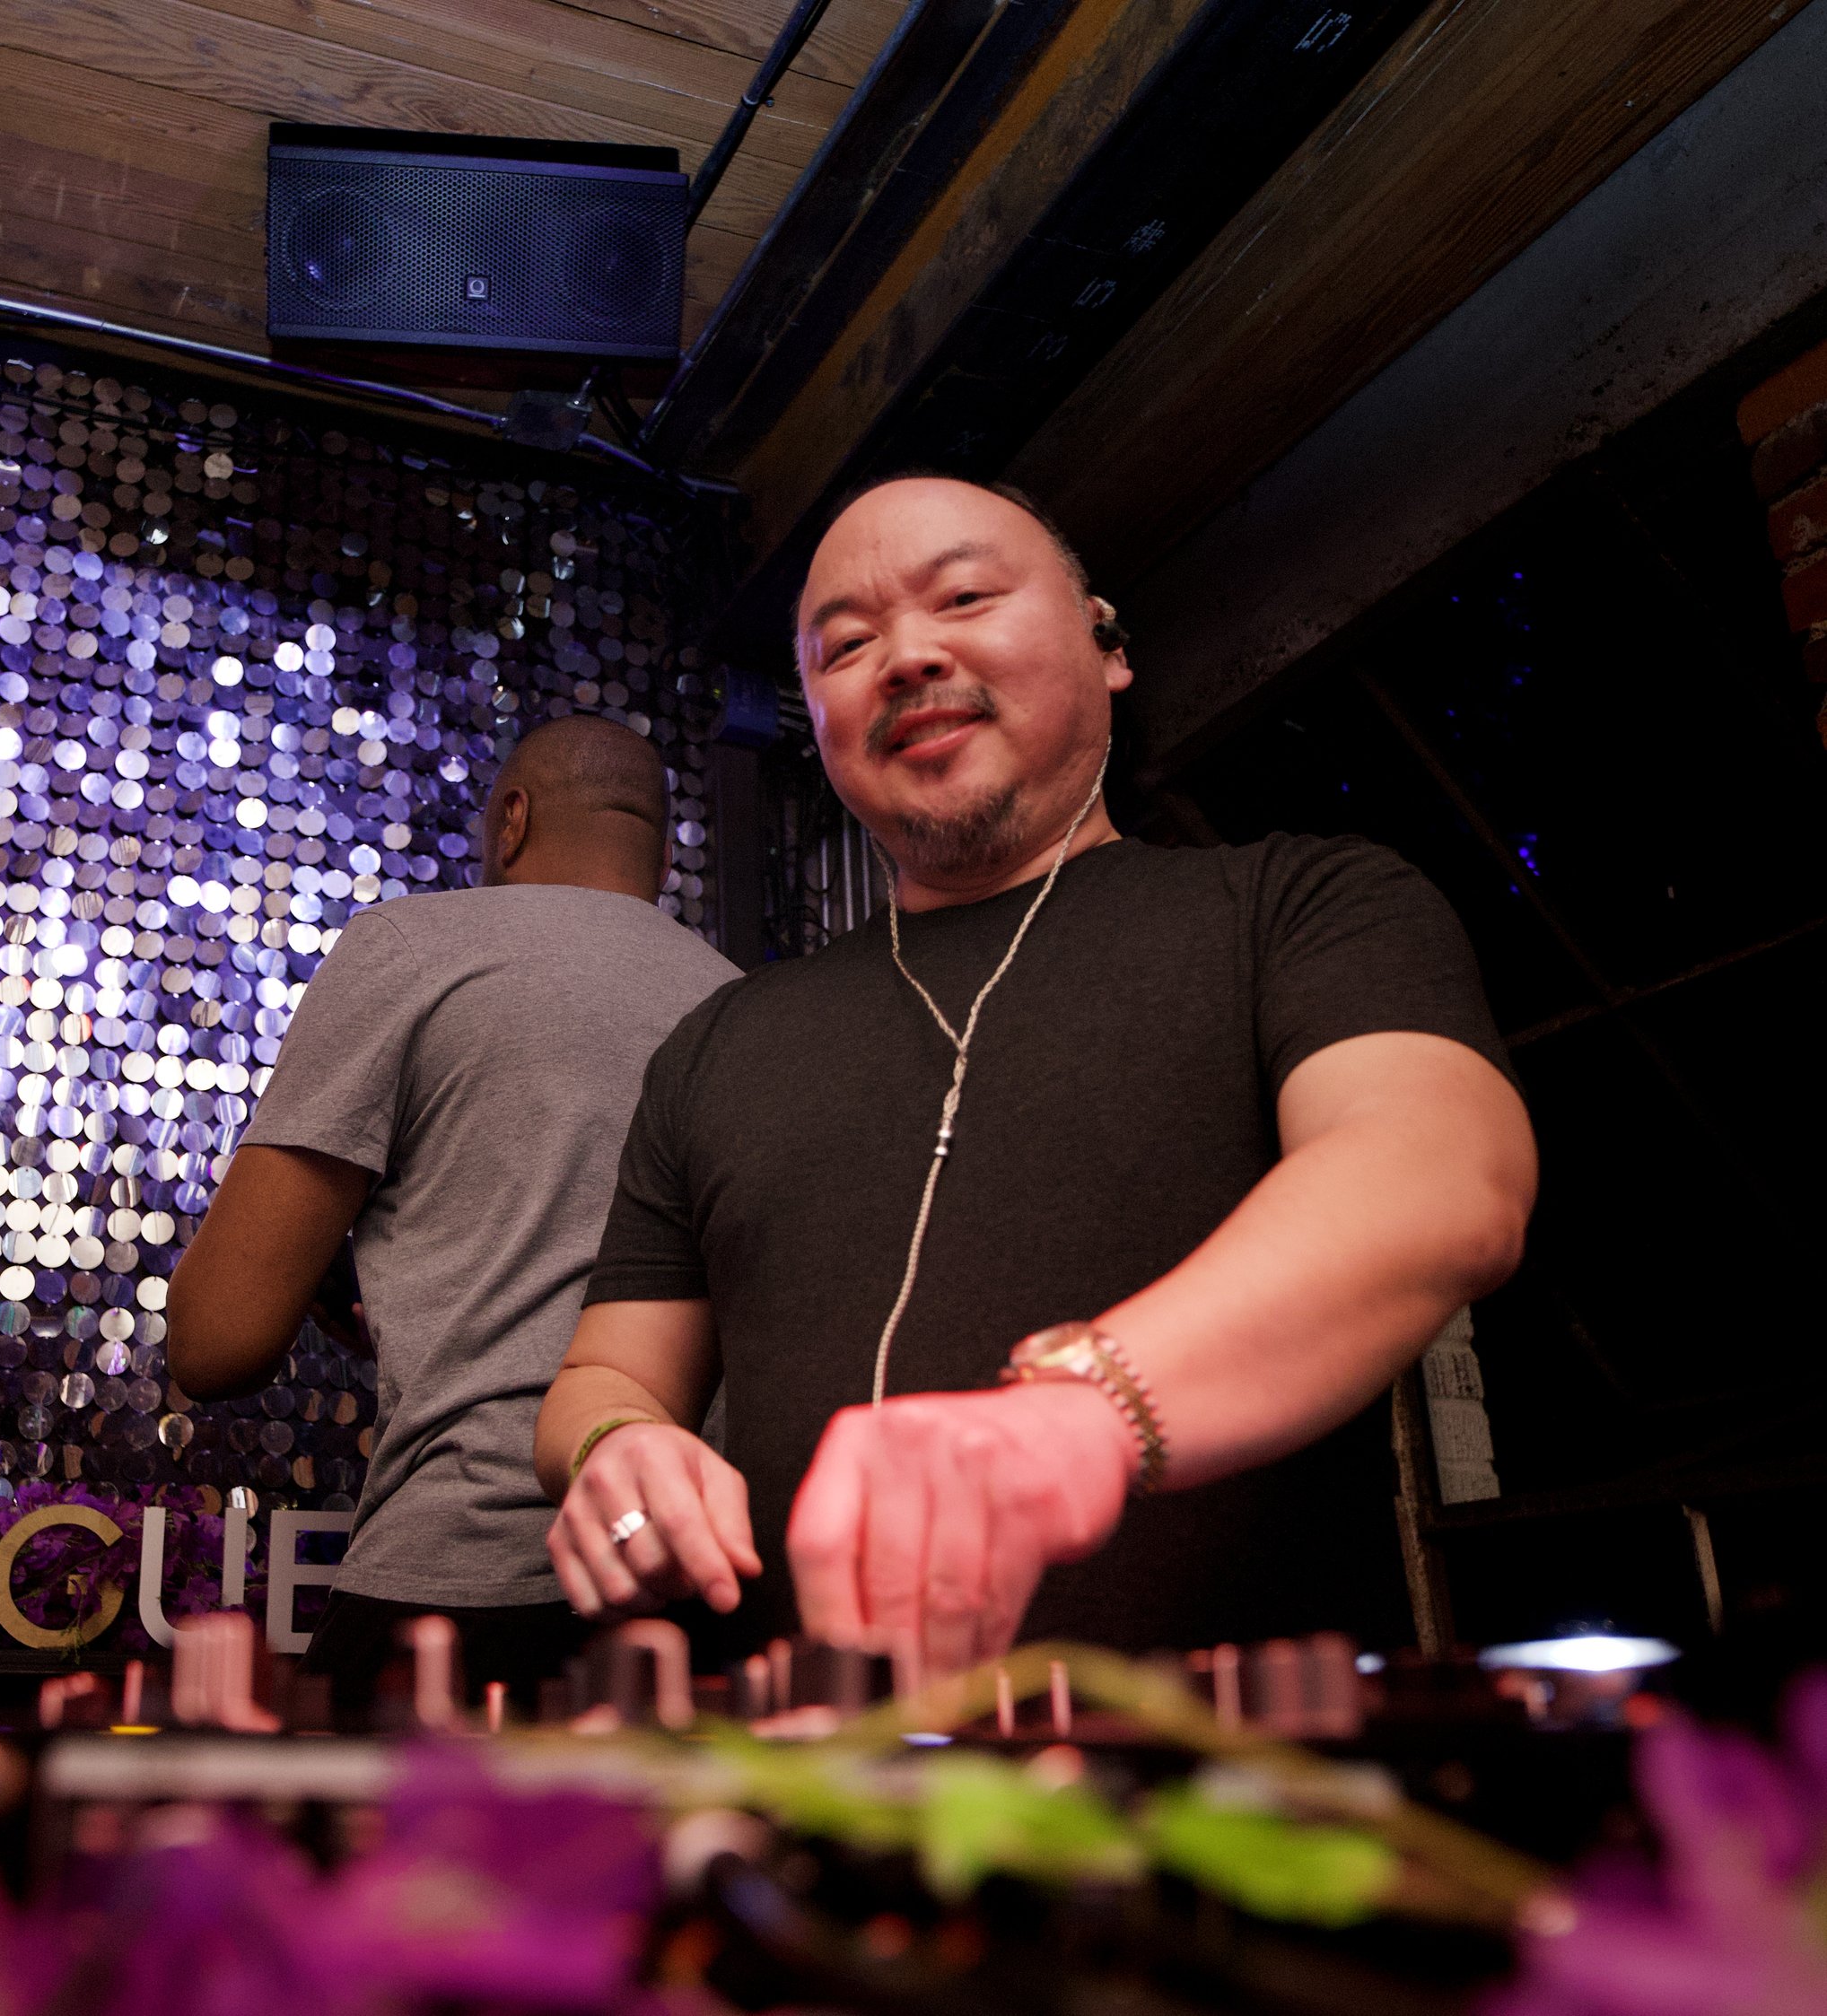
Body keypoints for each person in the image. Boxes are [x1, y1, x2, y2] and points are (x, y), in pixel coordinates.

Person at [535, 475, 1537, 1680]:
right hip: (820, 1780)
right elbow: (607, 1371)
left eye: (963, 596)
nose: (905, 656)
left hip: (1233, 1789)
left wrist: (1078, 1415)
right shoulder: (720, 1039)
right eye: (846, 644)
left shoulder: (1301, 907)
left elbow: (1437, 1176)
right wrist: (615, 1444)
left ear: (1108, 643)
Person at [169, 714, 738, 1715]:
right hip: (689, 1596)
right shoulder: (742, 1005)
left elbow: (214, 1344)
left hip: (457, 1590)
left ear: (510, 820)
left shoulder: (411, 949)